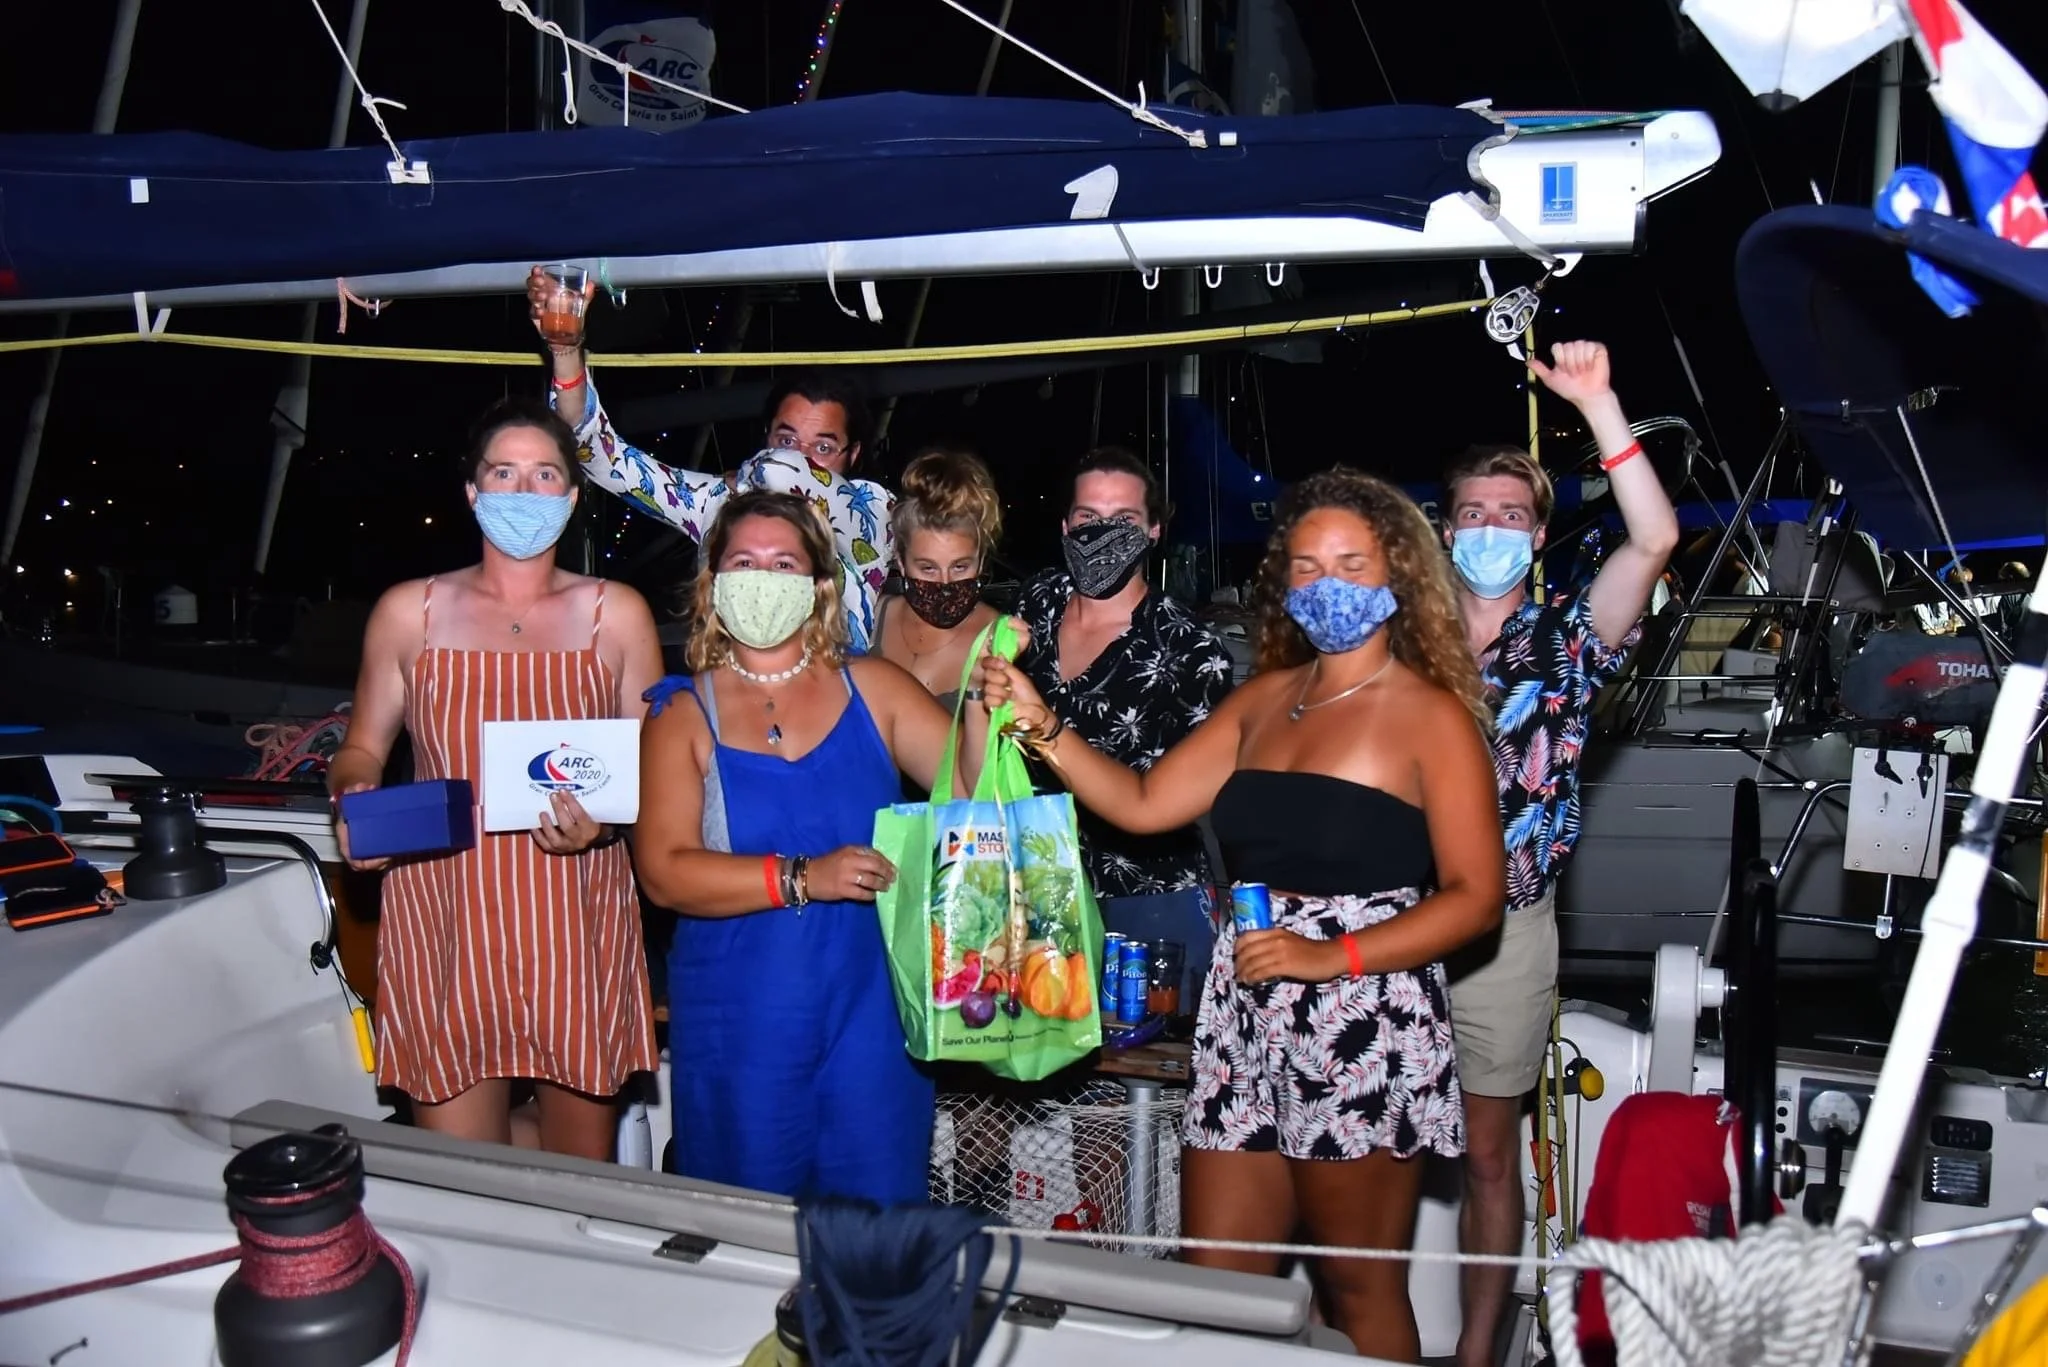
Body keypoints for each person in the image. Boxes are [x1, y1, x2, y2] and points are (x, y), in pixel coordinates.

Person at [975, 467, 1505, 1361]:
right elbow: (1144, 803)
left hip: (1361, 1018)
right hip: (1243, 1011)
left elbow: (1476, 898)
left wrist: (1326, 959)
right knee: (1217, 1283)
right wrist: (1041, 726)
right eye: (1304, 567)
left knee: (1356, 1284)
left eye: (1349, 562)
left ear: (1396, 576)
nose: (1324, 584)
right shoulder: (1264, 698)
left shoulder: (1431, 718)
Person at [330, 397, 664, 1161]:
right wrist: (352, 801)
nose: (524, 490)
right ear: (473, 492)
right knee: (465, 1178)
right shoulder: (406, 612)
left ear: (573, 498)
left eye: (546, 473)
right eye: (503, 472)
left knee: (577, 1182)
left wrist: (608, 822)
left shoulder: (617, 613)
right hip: (444, 912)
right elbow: (360, 750)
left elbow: (650, 766)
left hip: (574, 916)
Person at [633, 490, 989, 1204]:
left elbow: (973, 802)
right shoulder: (680, 713)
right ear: (714, 582)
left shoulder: (877, 688)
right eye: (744, 561)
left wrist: (985, 697)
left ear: (821, 584)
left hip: (871, 1020)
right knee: (745, 1242)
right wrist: (804, 876)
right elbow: (664, 871)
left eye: (784, 562)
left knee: (874, 1237)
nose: (763, 577)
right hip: (740, 1027)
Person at [1443, 340, 1679, 1367]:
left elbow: (1656, 535)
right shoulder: (1393, 636)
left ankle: (1475, 1351)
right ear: (1442, 526)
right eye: (1471, 512)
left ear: (1536, 534)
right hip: (1384, 928)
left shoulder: (1568, 638)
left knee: (1489, 1156)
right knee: (1379, 1138)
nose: (1488, 528)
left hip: (1504, 931)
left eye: (1509, 514)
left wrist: (1598, 405)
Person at [528, 266, 893, 649]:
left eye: (823, 448)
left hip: (838, 702)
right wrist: (565, 350)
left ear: (853, 454)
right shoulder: (718, 502)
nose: (803, 458)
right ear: (766, 435)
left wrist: (756, 472)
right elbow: (600, 454)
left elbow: (785, 475)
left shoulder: (871, 510)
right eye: (786, 440)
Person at [1014, 447, 1234, 903]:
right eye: (1088, 516)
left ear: (1154, 530)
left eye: (1125, 520)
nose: (1103, 534)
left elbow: (1186, 802)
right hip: (1032, 884)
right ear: (1066, 526)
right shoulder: (1037, 602)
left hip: (1146, 897)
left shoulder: (1190, 651)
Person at [870, 448, 1003, 715]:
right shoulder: (871, 616)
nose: (944, 585)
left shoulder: (998, 639)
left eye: (960, 567)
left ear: (981, 560)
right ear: (900, 560)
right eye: (928, 568)